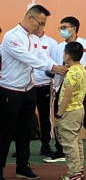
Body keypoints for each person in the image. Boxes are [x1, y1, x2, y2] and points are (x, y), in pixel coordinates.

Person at [0, 5, 66, 180]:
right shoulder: (12, 37)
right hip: (10, 90)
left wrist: (56, 66)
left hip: (29, 90)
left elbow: (43, 56)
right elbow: (28, 58)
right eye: (40, 23)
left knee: (25, 131)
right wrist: (52, 67)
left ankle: (22, 167)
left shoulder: (34, 39)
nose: (41, 27)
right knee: (5, 132)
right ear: (30, 18)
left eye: (43, 24)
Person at [49, 17, 86, 159]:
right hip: (62, 85)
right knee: (59, 115)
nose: (62, 30)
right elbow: (55, 65)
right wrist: (56, 80)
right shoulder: (58, 47)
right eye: (60, 28)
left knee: (84, 116)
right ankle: (60, 149)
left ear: (73, 28)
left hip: (81, 86)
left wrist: (83, 69)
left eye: (64, 27)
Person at [53, 42, 86, 180]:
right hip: (79, 109)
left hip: (69, 111)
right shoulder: (81, 69)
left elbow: (67, 95)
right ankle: (79, 169)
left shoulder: (71, 73)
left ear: (67, 56)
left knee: (69, 143)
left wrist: (59, 113)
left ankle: (73, 173)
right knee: (77, 142)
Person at [32, 28, 58, 157]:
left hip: (44, 84)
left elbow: (55, 64)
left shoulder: (51, 43)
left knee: (45, 116)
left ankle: (46, 145)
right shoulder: (26, 40)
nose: (37, 27)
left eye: (40, 24)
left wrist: (55, 84)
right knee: (25, 117)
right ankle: (22, 146)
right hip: (28, 84)